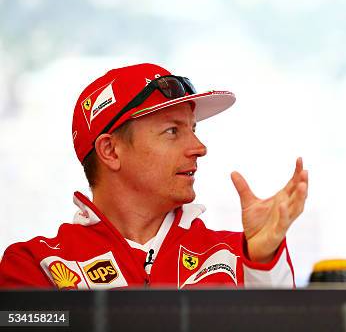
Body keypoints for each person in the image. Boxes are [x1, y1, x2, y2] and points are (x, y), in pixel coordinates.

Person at [0, 63, 307, 289]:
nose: (199, 148)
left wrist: (264, 263)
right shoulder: (36, 266)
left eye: (194, 130)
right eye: (172, 131)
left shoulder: (238, 255)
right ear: (110, 151)